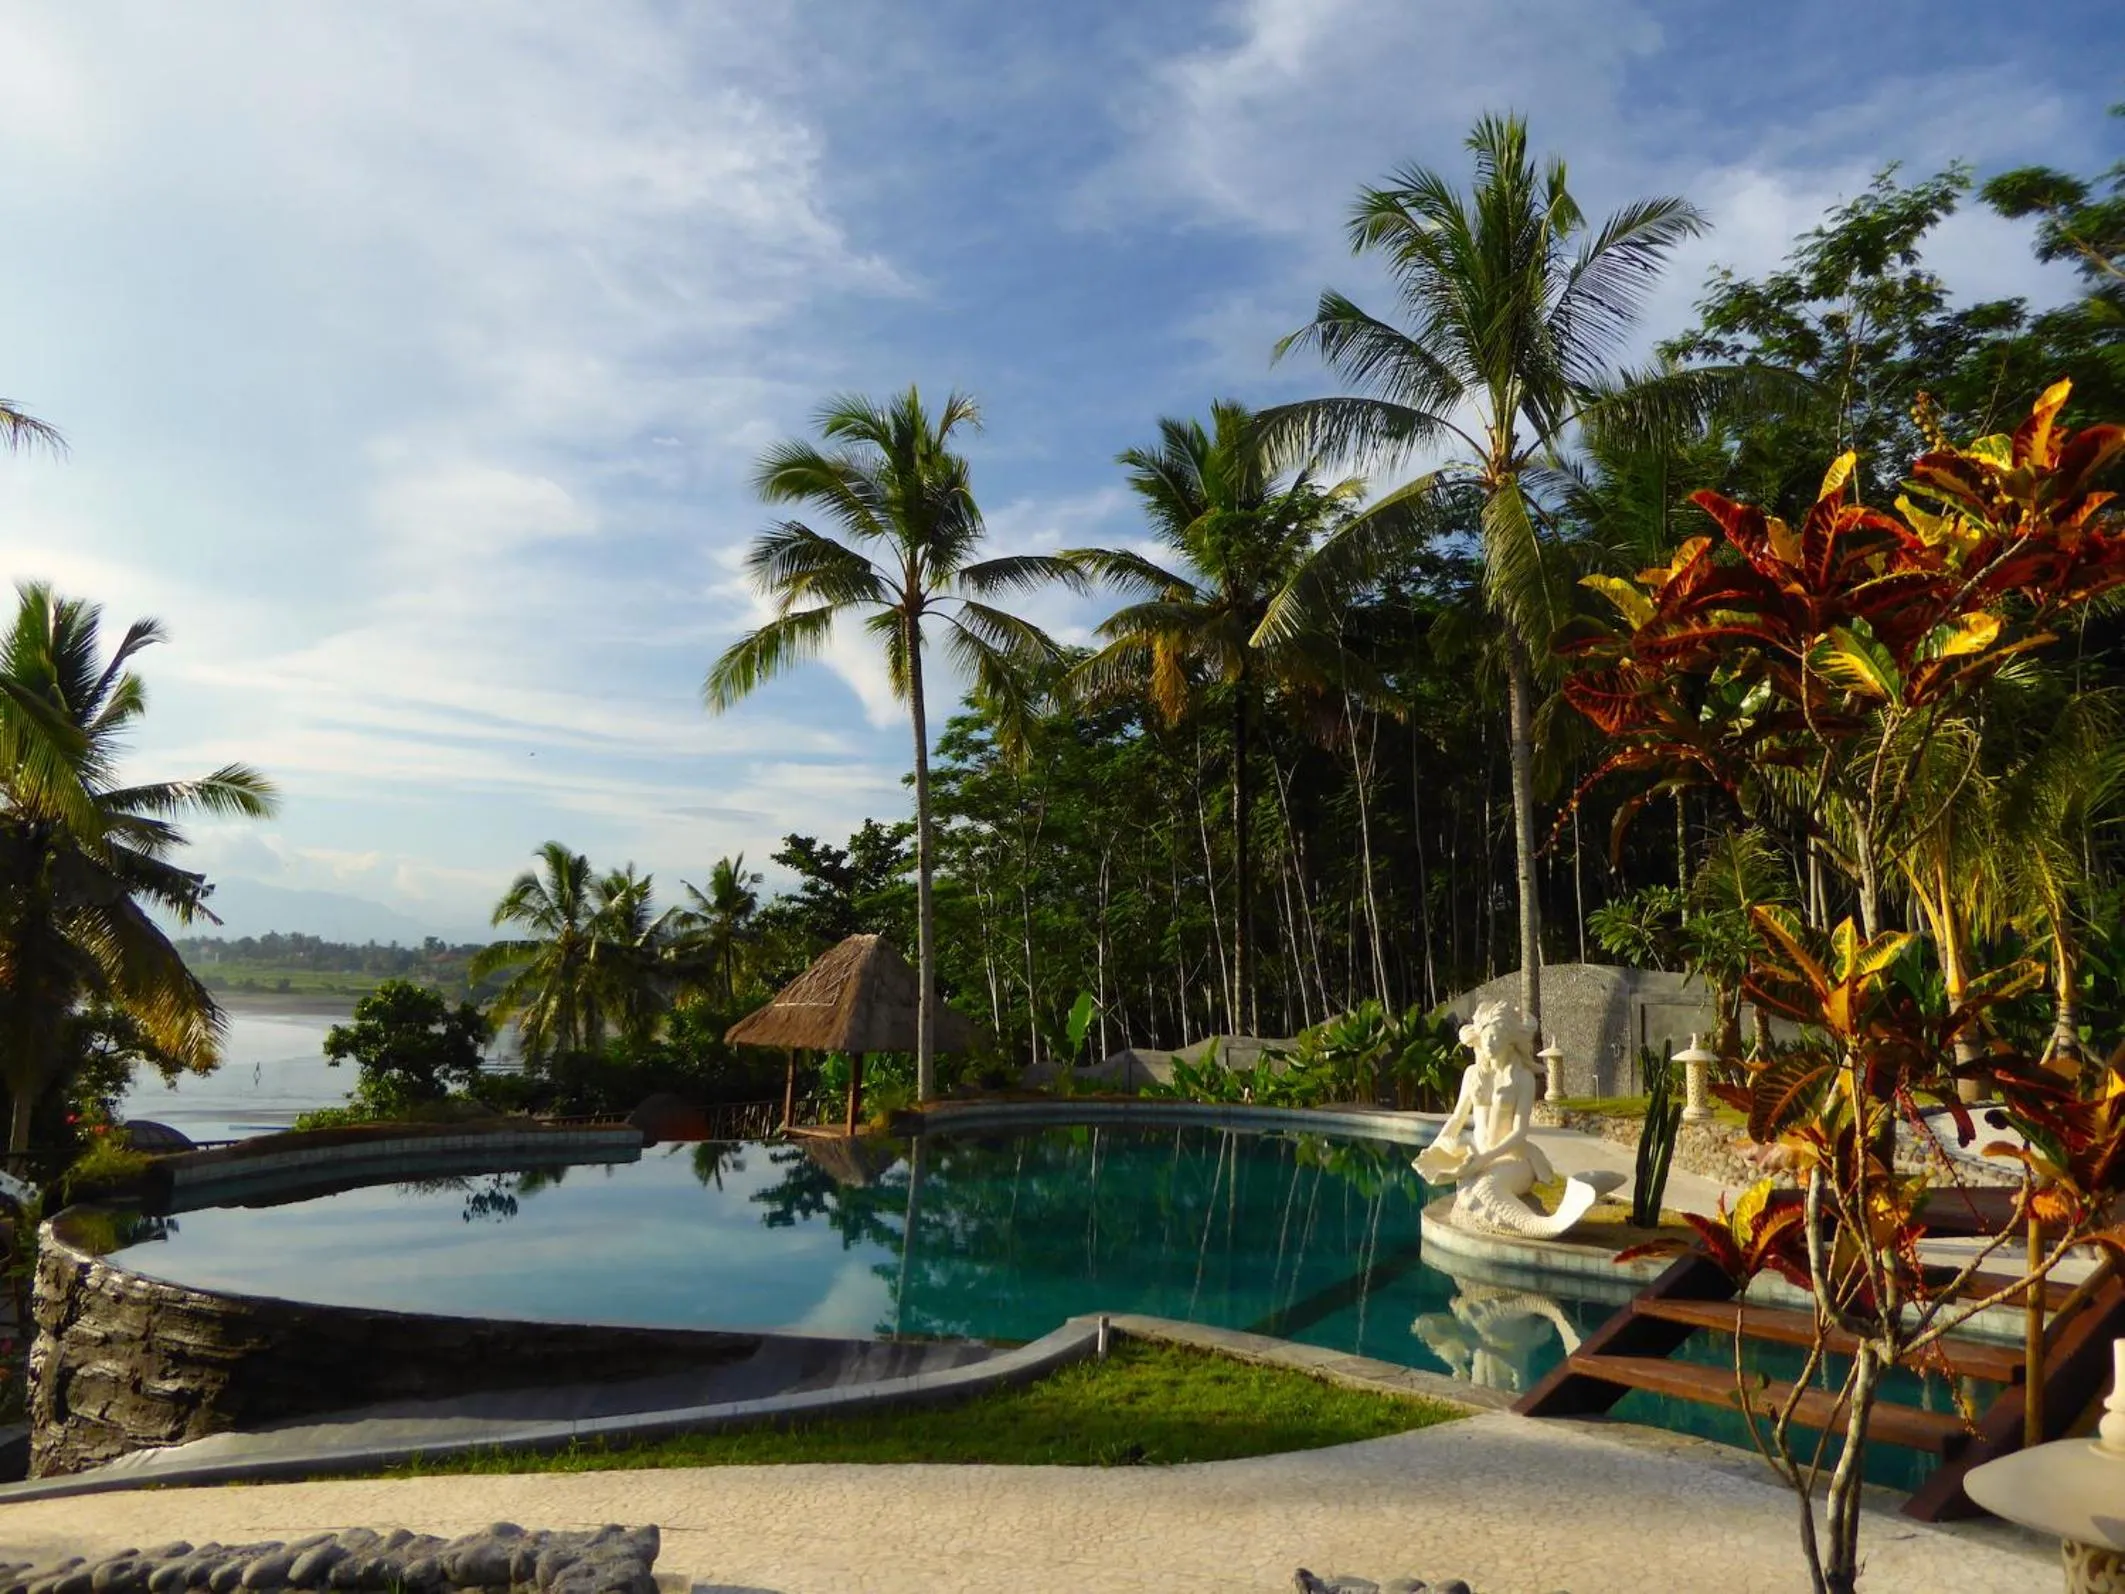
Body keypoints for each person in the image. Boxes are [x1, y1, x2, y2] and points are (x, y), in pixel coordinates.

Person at [1417, 999, 1620, 1238]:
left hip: (1514, 1160)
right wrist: (1436, 1149)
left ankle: (1551, 1224)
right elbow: (1457, 1119)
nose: (1489, 1043)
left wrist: (1484, 1160)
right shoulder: (1473, 1075)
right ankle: (1548, 1222)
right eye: (1486, 1037)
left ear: (1509, 1039)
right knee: (1470, 1187)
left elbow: (1519, 1133)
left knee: (1484, 1189)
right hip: (1479, 1156)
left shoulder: (1523, 1078)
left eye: (1495, 1037)